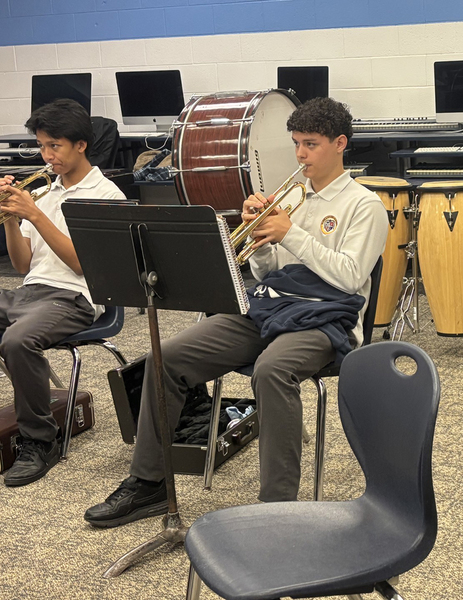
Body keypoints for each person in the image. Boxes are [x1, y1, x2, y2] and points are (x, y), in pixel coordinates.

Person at [84, 97, 388, 526]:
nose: (301, 155)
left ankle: (277, 508)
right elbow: (267, 271)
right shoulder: (293, 197)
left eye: (311, 144)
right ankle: (149, 482)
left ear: (340, 144)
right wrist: (261, 237)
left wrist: (290, 232)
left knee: (272, 370)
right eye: (296, 143)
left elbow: (350, 277)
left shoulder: (364, 205)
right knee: (166, 358)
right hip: (271, 306)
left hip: (326, 318)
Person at [0, 98, 126, 487]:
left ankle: (41, 442)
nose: (46, 155)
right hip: (31, 291)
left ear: (80, 145)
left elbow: (82, 266)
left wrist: (34, 214)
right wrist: (11, 219)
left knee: (18, 340)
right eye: (42, 146)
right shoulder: (45, 193)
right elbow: (22, 265)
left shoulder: (106, 197)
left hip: (74, 297)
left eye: (54, 146)